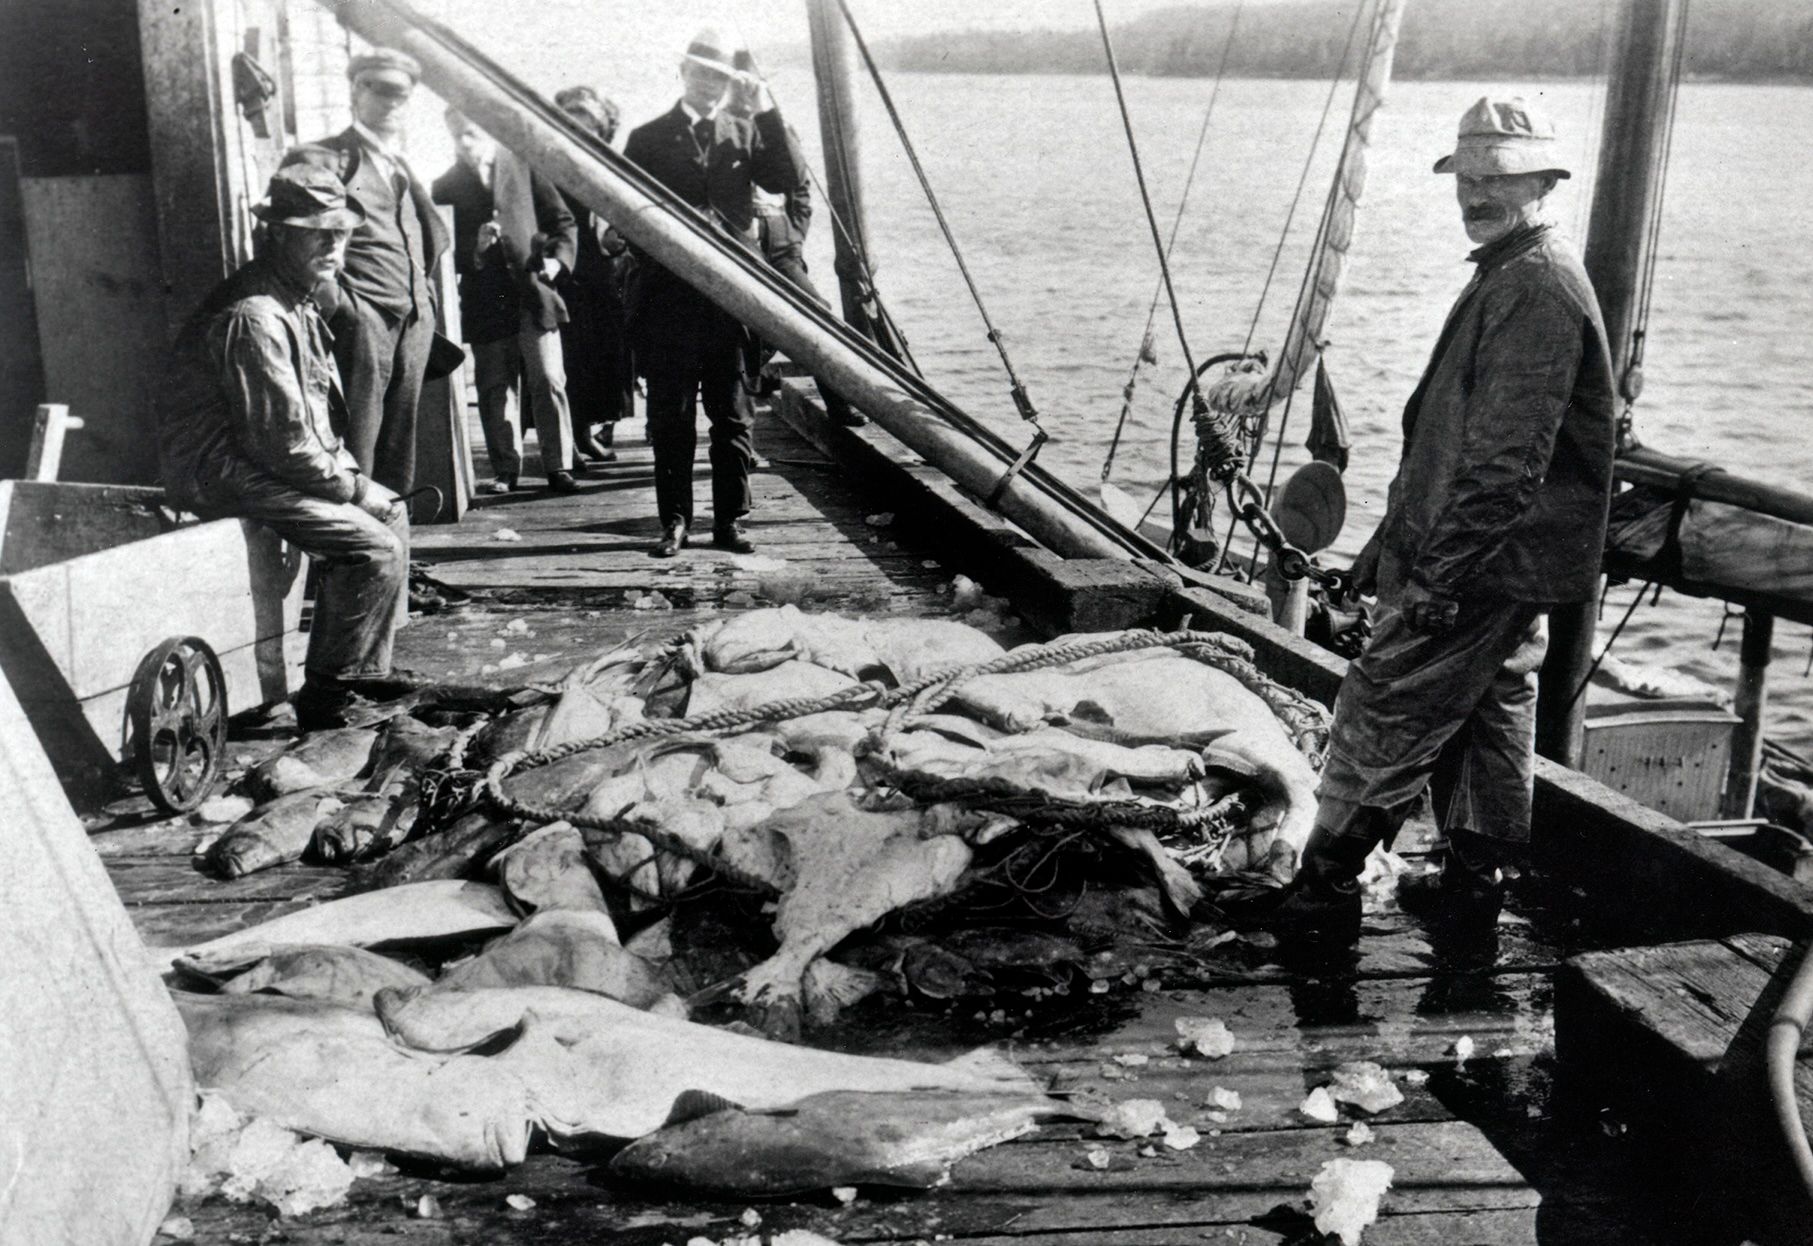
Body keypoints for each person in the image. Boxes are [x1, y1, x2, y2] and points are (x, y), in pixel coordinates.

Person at [1269, 96, 1617, 947]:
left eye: (1496, 178)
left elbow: (1504, 465)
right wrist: (1388, 543)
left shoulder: (1534, 286)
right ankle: (1473, 887)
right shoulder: (1509, 269)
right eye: (1467, 177)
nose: (1476, 193)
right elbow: (1446, 438)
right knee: (1493, 707)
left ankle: (1322, 893)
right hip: (1499, 561)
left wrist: (1436, 577)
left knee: (1383, 700)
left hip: (1481, 564)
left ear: (1543, 181)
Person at [155, 166, 411, 731]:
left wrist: (355, 479)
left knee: (394, 512)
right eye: (316, 231)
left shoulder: (294, 298)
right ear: (276, 234)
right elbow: (284, 445)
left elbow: (310, 420)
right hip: (219, 468)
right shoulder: (256, 316)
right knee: (373, 547)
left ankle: (361, 671)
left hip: (256, 457)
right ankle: (328, 696)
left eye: (340, 232)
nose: (333, 244)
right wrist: (351, 486)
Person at [624, 27, 807, 558]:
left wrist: (766, 106)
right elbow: (630, 221)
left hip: (732, 303)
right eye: (701, 72)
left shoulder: (745, 131)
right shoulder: (647, 137)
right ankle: (675, 522)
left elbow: (789, 179)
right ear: (682, 73)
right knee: (671, 418)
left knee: (732, 416)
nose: (709, 84)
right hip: (670, 302)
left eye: (721, 77)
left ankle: (728, 520)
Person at [281, 49, 448, 498]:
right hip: (363, 320)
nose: (393, 101)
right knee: (356, 447)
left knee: (399, 448)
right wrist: (344, 308)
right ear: (356, 91)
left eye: (403, 93)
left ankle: (394, 555)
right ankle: (355, 556)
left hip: (413, 319)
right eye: (381, 89)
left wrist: (425, 303)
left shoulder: (403, 164)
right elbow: (296, 238)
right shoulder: (324, 157)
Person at [430, 108, 581, 495]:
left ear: (489, 129)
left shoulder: (523, 166)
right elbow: (441, 251)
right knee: (495, 386)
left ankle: (559, 465)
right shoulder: (444, 186)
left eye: (472, 133)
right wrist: (474, 250)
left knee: (548, 378)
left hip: (534, 292)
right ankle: (505, 469)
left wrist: (556, 260)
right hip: (485, 299)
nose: (465, 143)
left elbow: (563, 222)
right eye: (457, 136)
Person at [553, 86, 637, 466]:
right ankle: (567, 440)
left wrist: (619, 241)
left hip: (601, 269)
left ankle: (586, 434)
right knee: (569, 356)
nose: (580, 130)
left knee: (601, 354)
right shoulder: (550, 163)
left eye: (588, 124)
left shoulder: (607, 164)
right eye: (573, 121)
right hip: (565, 268)